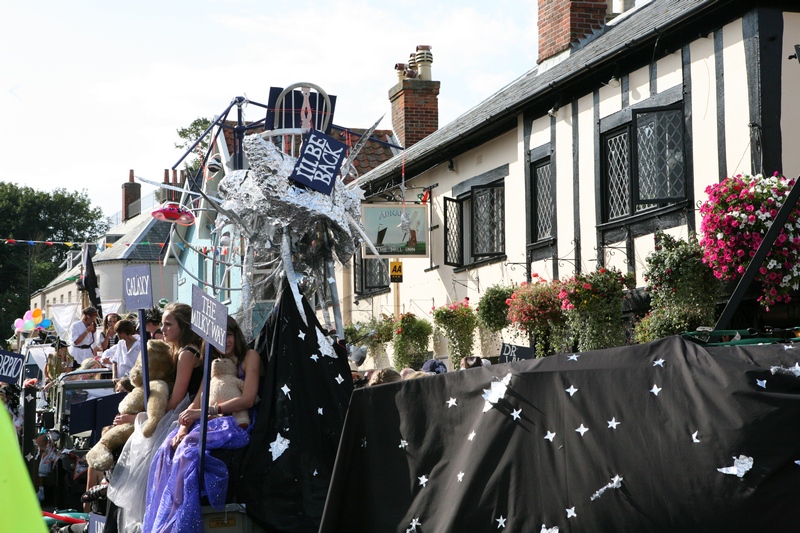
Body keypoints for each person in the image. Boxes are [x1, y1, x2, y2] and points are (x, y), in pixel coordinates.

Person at [144, 316, 261, 533]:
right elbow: (196, 403)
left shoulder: (249, 357)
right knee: (166, 449)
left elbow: (248, 398)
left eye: (228, 335)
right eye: (219, 337)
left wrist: (208, 411)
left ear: (236, 335)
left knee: (188, 451)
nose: (224, 341)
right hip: (211, 422)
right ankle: (172, 512)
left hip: (236, 422)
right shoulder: (213, 365)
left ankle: (181, 517)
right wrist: (182, 427)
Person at [106, 302, 203, 533]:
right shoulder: (179, 349)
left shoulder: (187, 353)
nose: (163, 329)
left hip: (177, 413)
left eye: (169, 324)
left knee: (139, 454)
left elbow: (177, 399)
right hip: (173, 410)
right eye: (162, 324)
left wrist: (138, 418)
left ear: (184, 326)